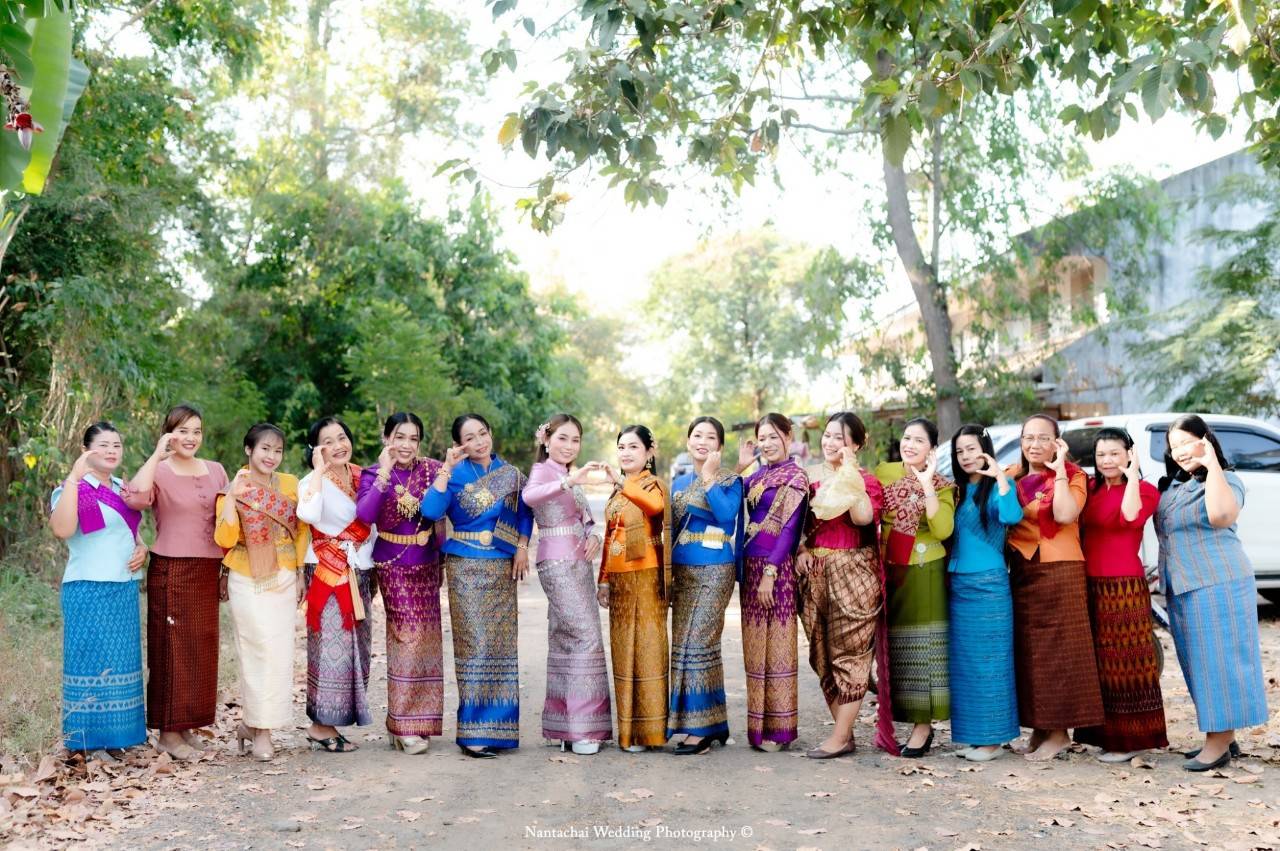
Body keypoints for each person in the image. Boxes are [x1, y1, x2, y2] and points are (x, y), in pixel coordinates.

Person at [1156, 414, 1267, 772]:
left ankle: (1217, 744)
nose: (1179, 452)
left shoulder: (1226, 479)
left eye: (1185, 443)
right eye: (1173, 447)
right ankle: (1224, 736)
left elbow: (1220, 516)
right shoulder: (1175, 486)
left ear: (1204, 439)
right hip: (1183, 585)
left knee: (1219, 663)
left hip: (1218, 582)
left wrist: (1212, 463)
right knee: (1199, 664)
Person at [420, 414, 533, 758]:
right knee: (475, 646)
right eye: (470, 438)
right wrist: (445, 469)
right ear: (459, 444)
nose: (479, 441)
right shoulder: (454, 474)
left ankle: (498, 730)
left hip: (501, 566)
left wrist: (522, 546)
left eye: (482, 433)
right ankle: (472, 733)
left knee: (500, 647)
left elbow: (525, 514)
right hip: (465, 568)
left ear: (491, 434)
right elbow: (430, 510)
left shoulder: (511, 474)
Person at [125, 405, 228, 761]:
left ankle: (185, 726)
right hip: (172, 569)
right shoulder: (160, 470)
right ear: (168, 433)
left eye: (196, 431)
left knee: (199, 649)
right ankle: (167, 734)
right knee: (172, 649)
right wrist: (157, 454)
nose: (191, 438)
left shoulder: (216, 470)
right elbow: (134, 499)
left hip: (208, 569)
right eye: (182, 430)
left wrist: (227, 569)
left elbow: (228, 520)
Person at [797, 412, 895, 759]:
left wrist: (849, 472)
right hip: (814, 575)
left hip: (854, 574)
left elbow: (862, 517)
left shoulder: (864, 480)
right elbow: (797, 527)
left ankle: (838, 738)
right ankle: (845, 734)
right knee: (821, 655)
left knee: (850, 655)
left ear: (856, 444)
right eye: (827, 435)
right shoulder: (810, 479)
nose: (830, 442)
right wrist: (801, 551)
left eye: (839, 437)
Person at [1006, 413, 1103, 762]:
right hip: (1022, 568)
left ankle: (1060, 733)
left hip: (1061, 568)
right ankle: (1040, 727)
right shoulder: (1011, 475)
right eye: (1028, 437)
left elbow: (1063, 514)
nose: (1035, 444)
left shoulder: (1074, 476)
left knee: (1058, 652)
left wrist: (1059, 468)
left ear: (1057, 442)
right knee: (1030, 652)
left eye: (1043, 438)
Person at [49, 422, 148, 760]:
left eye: (116, 445)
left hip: (123, 588)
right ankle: (87, 742)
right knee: (89, 662)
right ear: (85, 450)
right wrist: (74, 478)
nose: (111, 451)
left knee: (119, 664)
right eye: (103, 445)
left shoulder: (123, 488)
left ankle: (117, 738)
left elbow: (128, 533)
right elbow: (63, 529)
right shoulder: (72, 489)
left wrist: (142, 548)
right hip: (87, 588)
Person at [214, 423, 309, 761]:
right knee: (257, 651)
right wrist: (232, 497)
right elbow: (224, 538)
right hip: (247, 576)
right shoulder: (234, 487)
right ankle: (262, 733)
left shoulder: (290, 484)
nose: (271, 456)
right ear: (249, 450)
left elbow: (302, 531)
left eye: (277, 450)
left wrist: (300, 571)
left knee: (280, 653)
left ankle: (252, 726)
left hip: (284, 576)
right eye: (265, 449)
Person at [1073, 427, 1168, 763]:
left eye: (1115, 453)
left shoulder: (1145, 490)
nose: (1107, 460)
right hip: (1090, 583)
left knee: (1127, 664)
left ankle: (1133, 740)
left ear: (1129, 453)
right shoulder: (1091, 489)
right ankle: (1106, 736)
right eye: (1101, 455)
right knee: (1100, 664)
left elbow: (1129, 516)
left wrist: (1132, 475)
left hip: (1124, 586)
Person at [522, 413, 612, 755]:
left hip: (579, 564)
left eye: (575, 440)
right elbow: (530, 497)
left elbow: (585, 519)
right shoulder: (543, 471)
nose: (569, 446)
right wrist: (569, 481)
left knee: (566, 636)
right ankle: (584, 729)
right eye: (562, 438)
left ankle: (566, 725)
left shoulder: (567, 475)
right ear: (546, 440)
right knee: (586, 635)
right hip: (556, 563)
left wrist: (595, 535)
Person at [355, 412, 444, 755]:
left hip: (427, 563)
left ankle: (418, 722)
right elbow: (365, 515)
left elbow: (445, 504)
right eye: (400, 437)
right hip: (392, 565)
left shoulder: (432, 469)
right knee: (407, 637)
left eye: (413, 438)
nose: (407, 445)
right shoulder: (373, 474)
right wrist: (385, 472)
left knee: (427, 641)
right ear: (386, 437)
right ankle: (403, 724)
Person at [874, 417, 955, 757]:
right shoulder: (884, 473)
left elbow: (943, 529)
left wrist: (925, 485)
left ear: (932, 450)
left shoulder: (943, 485)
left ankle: (923, 726)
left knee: (924, 649)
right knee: (897, 650)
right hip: (888, 571)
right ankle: (902, 718)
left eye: (919, 441)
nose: (910, 445)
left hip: (924, 571)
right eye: (907, 438)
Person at [946, 424, 1023, 762]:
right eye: (959, 451)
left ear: (985, 450)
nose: (965, 456)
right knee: (966, 664)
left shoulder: (998, 486)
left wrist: (1000, 477)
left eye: (971, 449)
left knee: (991, 662)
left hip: (989, 586)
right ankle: (976, 737)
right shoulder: (957, 490)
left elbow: (1011, 516)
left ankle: (993, 740)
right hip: (958, 584)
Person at [668, 416, 741, 756]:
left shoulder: (731, 480)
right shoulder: (678, 483)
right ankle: (715, 723)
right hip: (683, 572)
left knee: (699, 643)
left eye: (710, 437)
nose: (702, 441)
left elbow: (726, 517)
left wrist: (709, 478)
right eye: (697, 435)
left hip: (715, 571)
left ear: (719, 446)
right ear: (688, 442)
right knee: (684, 646)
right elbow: (670, 529)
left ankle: (699, 731)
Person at [598, 424, 671, 753]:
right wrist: (603, 579)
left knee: (647, 649)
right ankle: (628, 732)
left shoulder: (652, 485)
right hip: (620, 581)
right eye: (621, 447)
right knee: (623, 651)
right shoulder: (618, 492)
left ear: (649, 452)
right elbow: (609, 537)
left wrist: (621, 482)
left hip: (646, 575)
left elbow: (654, 508)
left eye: (633, 447)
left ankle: (650, 732)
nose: (626, 453)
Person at [740, 413, 808, 752]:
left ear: (788, 436)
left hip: (776, 570)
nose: (766, 444)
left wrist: (770, 573)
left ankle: (779, 732)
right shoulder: (755, 477)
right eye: (761, 438)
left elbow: (790, 531)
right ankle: (757, 729)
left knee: (778, 647)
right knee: (755, 650)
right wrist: (740, 467)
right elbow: (726, 498)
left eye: (772, 437)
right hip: (750, 568)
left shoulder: (796, 477)